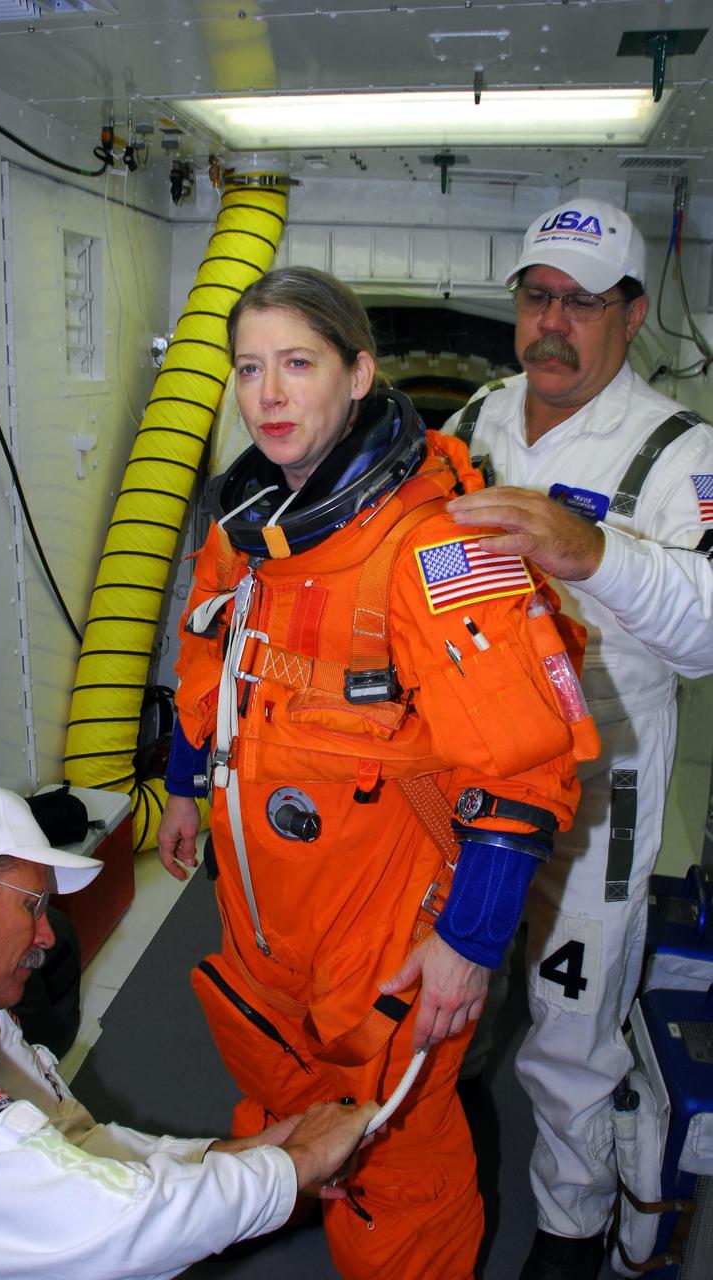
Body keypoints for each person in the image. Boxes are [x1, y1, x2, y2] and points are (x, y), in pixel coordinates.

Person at [157, 266, 593, 1280]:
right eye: (249, 368)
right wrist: (183, 785)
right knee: (285, 1083)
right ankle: (304, 1188)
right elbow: (207, 661)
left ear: (358, 374)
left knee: (396, 1152)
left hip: (384, 927)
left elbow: (524, 766)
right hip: (264, 905)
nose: (268, 394)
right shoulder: (245, 531)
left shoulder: (431, 546)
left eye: (296, 364)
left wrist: (468, 944)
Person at [442, 199, 713, 1280]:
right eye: (537, 296)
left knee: (568, 1026)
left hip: (599, 791)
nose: (552, 324)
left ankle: (566, 1233)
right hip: (469, 773)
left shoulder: (681, 450)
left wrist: (591, 549)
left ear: (633, 315)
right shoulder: (478, 416)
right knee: (450, 987)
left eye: (583, 304)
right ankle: (441, 1176)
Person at [0, 783, 378, 1280]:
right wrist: (294, 1166)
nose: (47, 935)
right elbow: (85, 1217)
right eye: (32, 905)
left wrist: (240, 1154)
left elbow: (71, 1144)